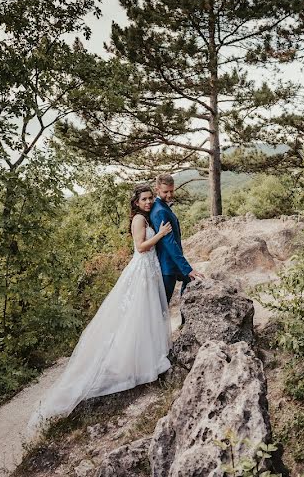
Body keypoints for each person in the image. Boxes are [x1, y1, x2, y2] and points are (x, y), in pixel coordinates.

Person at [24, 184, 173, 439]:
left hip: (149, 271)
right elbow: (140, 247)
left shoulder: (145, 217)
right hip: (141, 271)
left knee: (143, 317)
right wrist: (160, 235)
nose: (148, 202)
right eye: (144, 199)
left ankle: (144, 359)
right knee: (133, 317)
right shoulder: (139, 219)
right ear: (136, 202)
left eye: (150, 198)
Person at [150, 174, 204, 302]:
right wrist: (188, 269)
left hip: (173, 262)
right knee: (164, 303)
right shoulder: (160, 211)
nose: (169, 195)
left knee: (190, 280)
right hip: (167, 264)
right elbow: (169, 242)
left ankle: (186, 317)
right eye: (165, 192)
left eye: (171, 191)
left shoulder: (161, 206)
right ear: (157, 189)